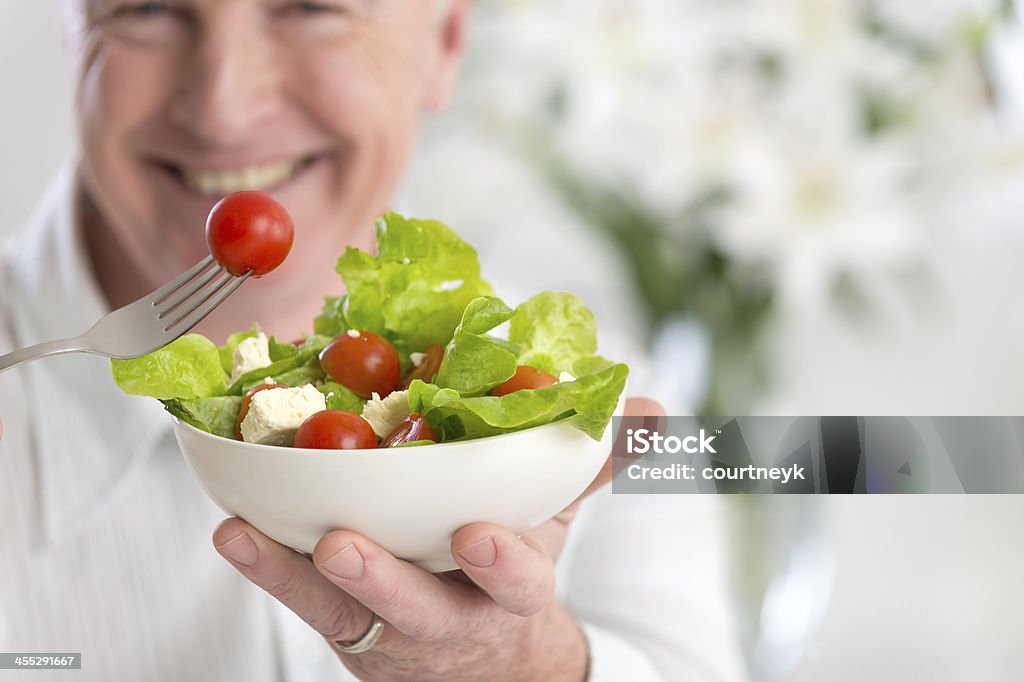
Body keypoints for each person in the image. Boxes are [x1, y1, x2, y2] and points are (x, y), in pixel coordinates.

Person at [0, 1, 747, 680]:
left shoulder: (624, 399)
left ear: (446, 42)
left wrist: (525, 667)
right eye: (149, 8)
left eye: (312, 8)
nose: (224, 108)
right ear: (71, 29)